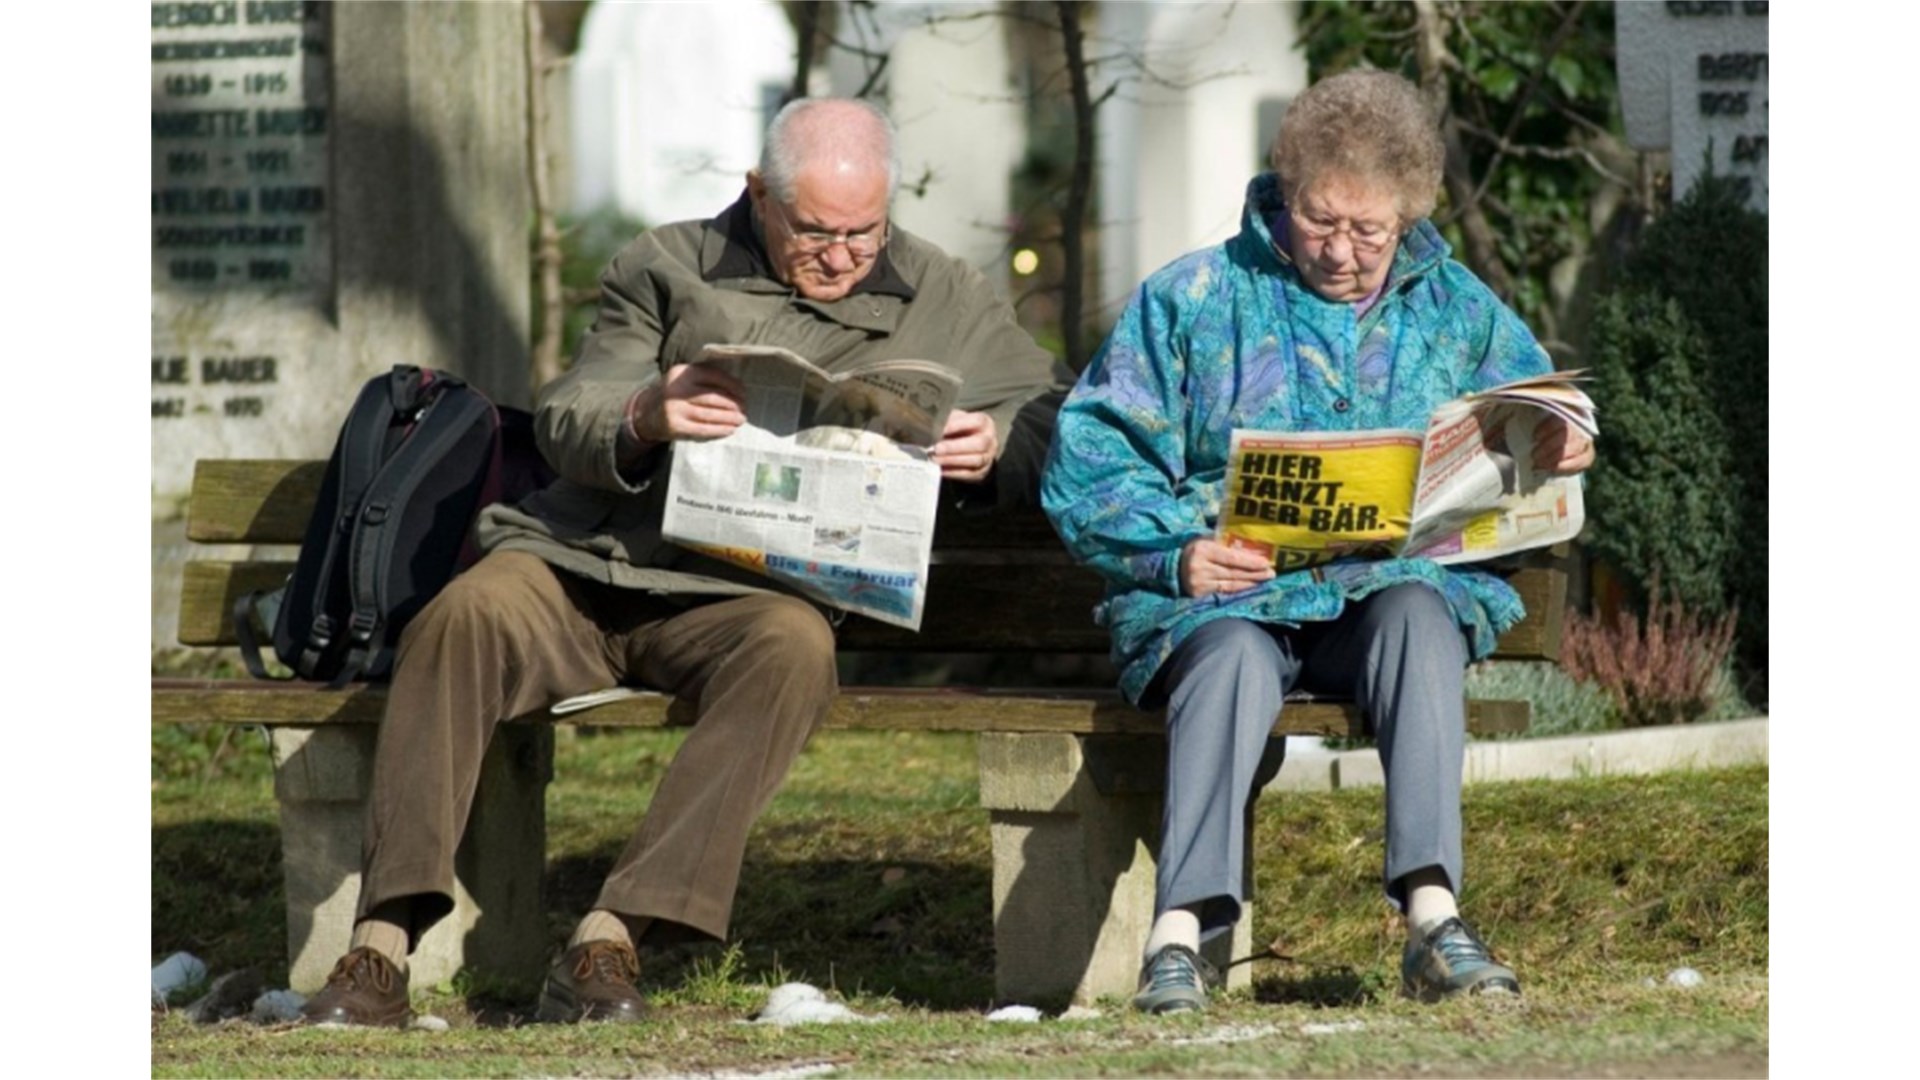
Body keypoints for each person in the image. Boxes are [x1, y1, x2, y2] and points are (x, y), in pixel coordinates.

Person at [300, 97, 1062, 1028]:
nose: (842, 256)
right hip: (586, 565)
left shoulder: (944, 293)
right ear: (758, 197)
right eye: (817, 232)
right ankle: (380, 939)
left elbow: (1053, 410)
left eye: (864, 234)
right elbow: (573, 411)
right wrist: (646, 414)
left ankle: (612, 934)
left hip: (746, 599)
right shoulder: (663, 265)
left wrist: (997, 447)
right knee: (461, 617)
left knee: (795, 649)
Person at [1039, 69, 1593, 1014]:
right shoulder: (1197, 297)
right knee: (1229, 660)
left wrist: (1563, 436)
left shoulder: (1455, 307)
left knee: (1420, 616)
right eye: (1318, 221)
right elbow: (1088, 459)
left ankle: (1432, 918)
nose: (1340, 251)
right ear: (1282, 193)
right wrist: (1177, 553)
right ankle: (1182, 935)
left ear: (1409, 216)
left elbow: (1539, 404)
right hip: (1225, 598)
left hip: (1380, 598)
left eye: (1368, 231)